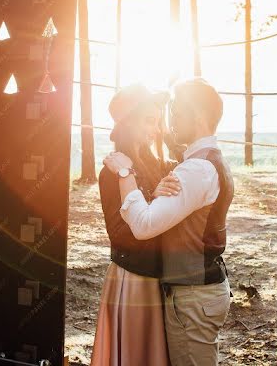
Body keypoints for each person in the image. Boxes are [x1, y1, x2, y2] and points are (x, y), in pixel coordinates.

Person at [103, 78, 234, 366]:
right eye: (153, 119)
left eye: (174, 114)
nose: (166, 125)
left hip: (189, 293)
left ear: (196, 116)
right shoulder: (198, 163)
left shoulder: (192, 169)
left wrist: (131, 179)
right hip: (143, 280)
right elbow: (123, 231)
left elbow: (144, 224)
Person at [90, 84, 182, 366]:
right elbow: (121, 234)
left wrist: (166, 133)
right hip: (134, 280)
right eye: (149, 122)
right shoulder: (112, 172)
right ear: (129, 123)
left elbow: (184, 162)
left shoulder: (158, 164)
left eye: (158, 122)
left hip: (159, 277)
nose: (155, 130)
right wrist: (152, 199)